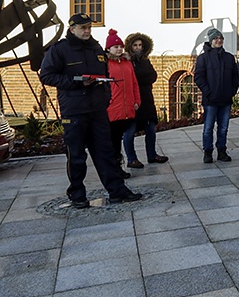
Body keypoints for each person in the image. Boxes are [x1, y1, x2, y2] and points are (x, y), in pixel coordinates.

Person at [39, 13, 141, 208]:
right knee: (76, 155)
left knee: (106, 152)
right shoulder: (60, 50)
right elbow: (47, 76)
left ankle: (117, 191)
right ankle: (77, 194)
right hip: (74, 111)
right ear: (72, 29)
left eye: (89, 28)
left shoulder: (96, 48)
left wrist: (106, 96)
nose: (87, 31)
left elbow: (105, 73)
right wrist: (76, 82)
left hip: (97, 109)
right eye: (82, 28)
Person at [123, 32, 169, 167]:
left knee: (150, 129)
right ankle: (131, 159)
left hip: (147, 100)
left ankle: (152, 154)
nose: (138, 48)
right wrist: (141, 80)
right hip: (132, 100)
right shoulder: (127, 62)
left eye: (140, 45)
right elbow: (131, 80)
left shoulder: (145, 60)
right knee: (130, 131)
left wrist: (140, 80)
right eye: (135, 45)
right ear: (130, 47)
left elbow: (153, 76)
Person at [194, 28, 239, 163]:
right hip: (210, 100)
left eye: (220, 38)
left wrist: (232, 91)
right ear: (210, 41)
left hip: (225, 99)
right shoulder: (203, 58)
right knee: (208, 128)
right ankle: (207, 152)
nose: (219, 40)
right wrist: (208, 92)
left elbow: (235, 76)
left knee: (223, 128)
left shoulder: (229, 58)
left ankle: (222, 151)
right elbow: (199, 78)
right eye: (216, 38)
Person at [105, 29, 140, 179]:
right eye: (115, 47)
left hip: (127, 108)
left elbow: (134, 83)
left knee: (120, 139)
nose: (119, 49)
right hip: (113, 109)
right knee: (113, 143)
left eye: (120, 47)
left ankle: (119, 168)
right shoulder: (106, 64)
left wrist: (137, 100)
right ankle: (114, 170)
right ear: (108, 49)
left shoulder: (127, 63)